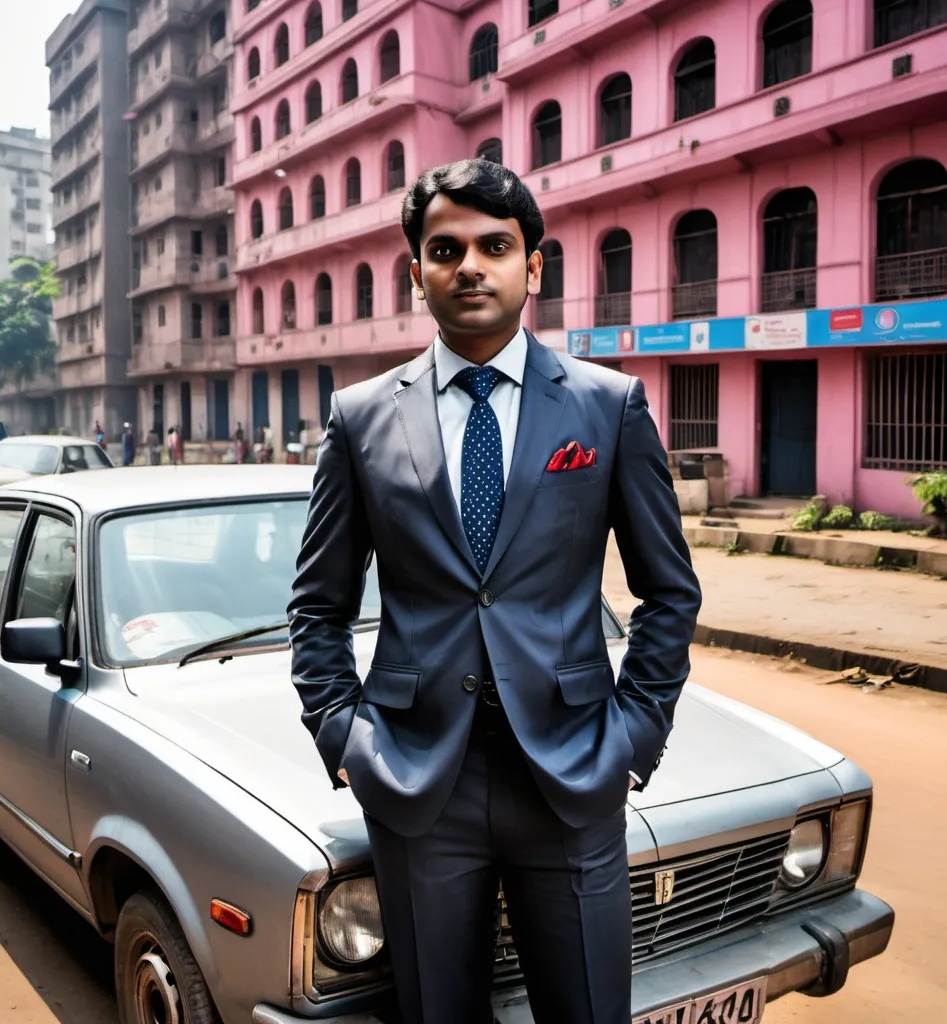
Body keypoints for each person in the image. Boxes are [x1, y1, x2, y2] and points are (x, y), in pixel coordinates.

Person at [288, 159, 701, 1024]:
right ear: (417, 273)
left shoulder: (606, 406)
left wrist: (633, 734)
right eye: (445, 249)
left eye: (494, 246)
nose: (469, 265)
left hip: (574, 771)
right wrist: (344, 736)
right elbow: (318, 605)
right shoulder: (362, 418)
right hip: (415, 777)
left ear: (533, 267)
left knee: (587, 1010)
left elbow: (669, 593)